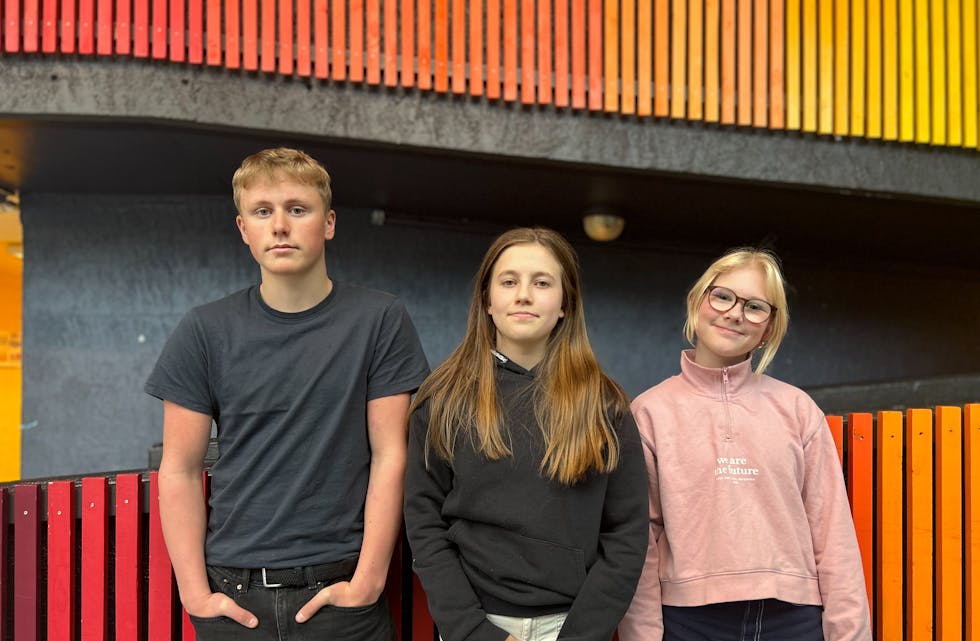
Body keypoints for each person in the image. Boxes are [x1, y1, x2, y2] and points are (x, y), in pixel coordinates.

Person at [146, 147, 430, 641]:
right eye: (263, 211)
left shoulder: (379, 320)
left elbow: (391, 454)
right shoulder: (204, 330)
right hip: (233, 597)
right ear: (243, 229)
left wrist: (367, 581)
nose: (280, 225)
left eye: (297, 209)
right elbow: (180, 468)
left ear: (329, 223)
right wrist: (195, 595)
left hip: (340, 595)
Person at [404, 227, 649, 641]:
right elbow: (423, 526)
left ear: (565, 304)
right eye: (509, 281)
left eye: (541, 282)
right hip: (475, 623)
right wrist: (472, 631)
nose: (523, 295)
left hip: (569, 625)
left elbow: (626, 536)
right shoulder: (444, 400)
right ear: (487, 300)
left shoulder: (604, 406)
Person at [619, 248, 872, 641]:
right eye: (722, 296)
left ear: (769, 328)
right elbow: (639, 543)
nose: (735, 313)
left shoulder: (798, 410)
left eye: (755, 307)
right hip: (689, 621)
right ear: (697, 302)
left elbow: (832, 534)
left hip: (793, 619)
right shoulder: (650, 412)